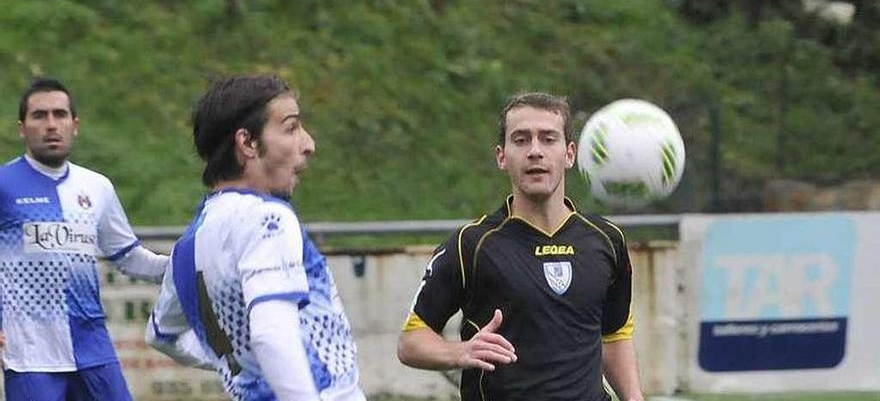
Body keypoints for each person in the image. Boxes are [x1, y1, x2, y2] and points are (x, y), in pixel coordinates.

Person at [397, 92, 645, 401]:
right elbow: (411, 342)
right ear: (502, 156)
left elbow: (614, 334)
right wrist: (459, 352)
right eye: (521, 140)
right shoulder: (472, 245)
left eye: (548, 139)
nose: (535, 151)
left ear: (569, 154)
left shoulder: (606, 240)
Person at [146, 75, 365, 401]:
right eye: (290, 128)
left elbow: (161, 335)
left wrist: (233, 360)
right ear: (247, 143)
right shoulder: (267, 218)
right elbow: (271, 334)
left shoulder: (188, 247)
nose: (309, 144)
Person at [0, 77, 169, 400]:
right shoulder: (4, 184)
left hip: (93, 349)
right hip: (31, 357)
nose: (51, 125)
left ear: (74, 124)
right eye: (40, 115)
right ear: (22, 127)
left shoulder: (97, 187)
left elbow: (128, 256)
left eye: (60, 115)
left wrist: (180, 266)